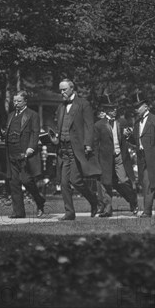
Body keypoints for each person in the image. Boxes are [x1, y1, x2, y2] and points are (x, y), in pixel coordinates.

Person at [0, 91, 46, 218]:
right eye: (14, 101)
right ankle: (18, 213)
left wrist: (31, 147)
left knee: (26, 180)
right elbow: (9, 134)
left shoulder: (33, 115)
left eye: (19, 101)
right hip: (11, 153)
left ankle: (39, 200)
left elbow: (35, 133)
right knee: (13, 183)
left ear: (25, 101)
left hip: (25, 154)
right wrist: (1, 132)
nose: (16, 103)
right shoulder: (11, 115)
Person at [49, 79, 100, 220]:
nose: (62, 92)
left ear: (72, 88)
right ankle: (70, 213)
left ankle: (94, 201)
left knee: (76, 181)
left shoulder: (83, 104)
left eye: (64, 89)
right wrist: (55, 139)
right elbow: (61, 127)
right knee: (64, 183)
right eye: (60, 90)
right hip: (63, 149)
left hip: (77, 149)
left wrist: (88, 144)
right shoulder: (60, 107)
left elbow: (89, 125)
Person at [125, 91, 155, 217]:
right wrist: (128, 136)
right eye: (135, 107)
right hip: (141, 158)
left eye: (138, 106)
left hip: (154, 158)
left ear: (146, 106)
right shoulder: (136, 122)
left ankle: (147, 212)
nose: (136, 109)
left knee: (148, 184)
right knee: (149, 185)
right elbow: (136, 141)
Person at [93, 94, 139, 217]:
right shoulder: (99, 125)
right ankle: (108, 209)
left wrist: (128, 135)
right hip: (105, 159)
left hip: (120, 156)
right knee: (106, 183)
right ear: (106, 110)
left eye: (115, 108)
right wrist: (95, 160)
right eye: (111, 109)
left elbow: (131, 138)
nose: (114, 110)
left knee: (123, 181)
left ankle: (133, 200)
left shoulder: (122, 122)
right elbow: (95, 143)